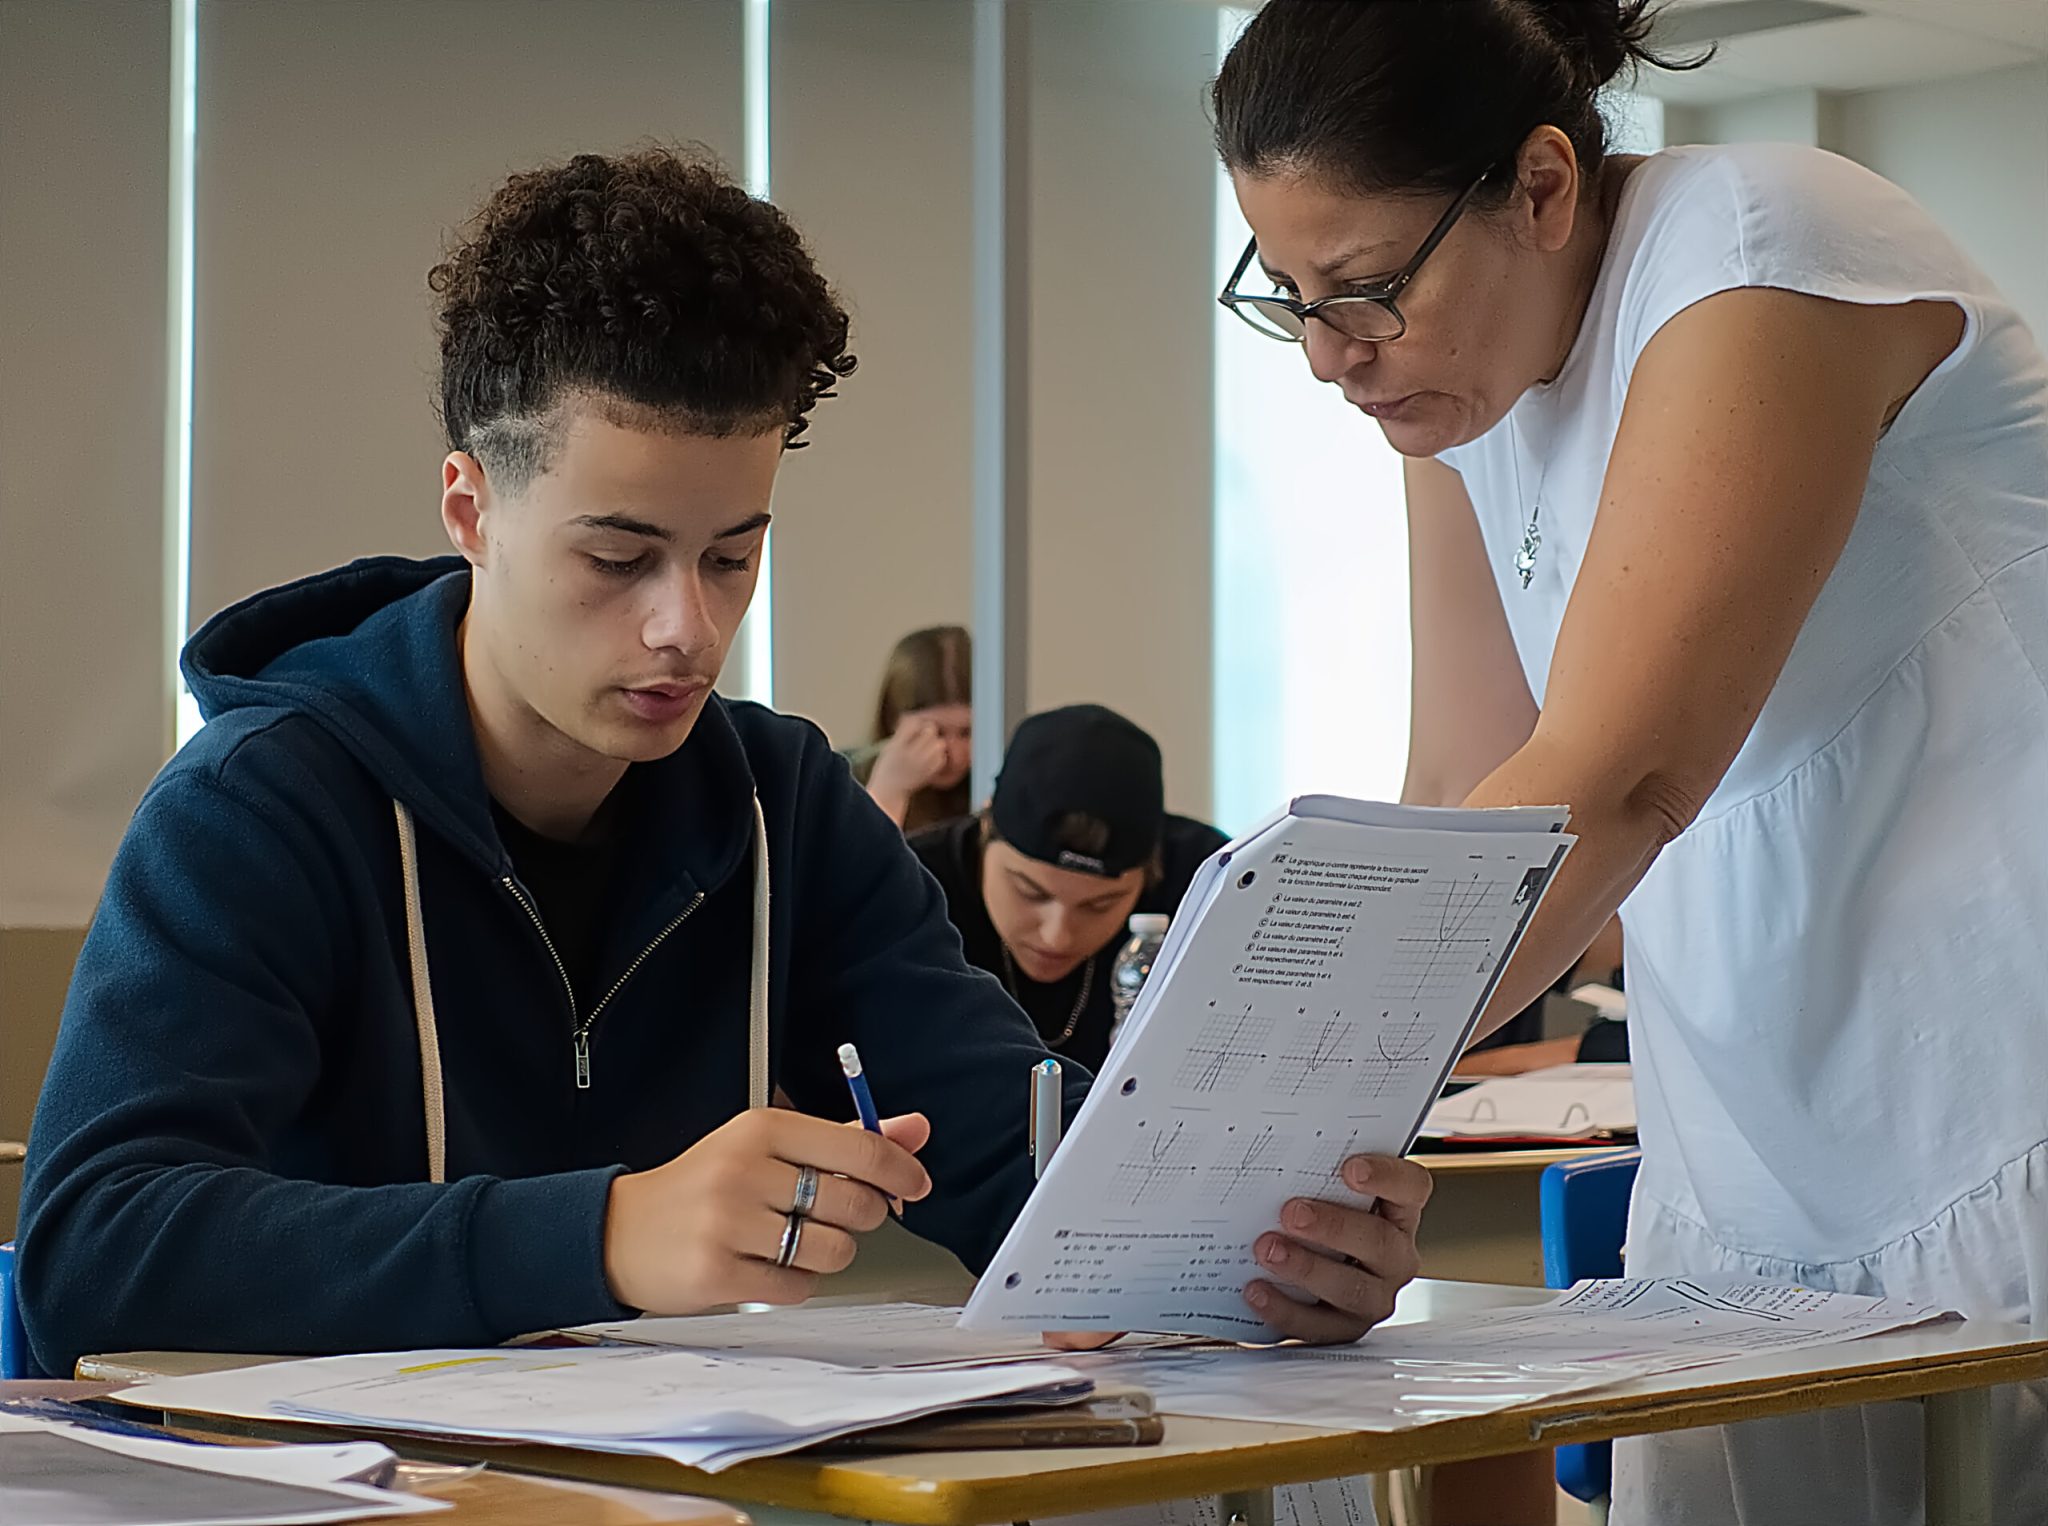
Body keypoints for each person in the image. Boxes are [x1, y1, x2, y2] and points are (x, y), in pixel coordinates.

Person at [17, 147, 1430, 1375]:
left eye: (732, 555)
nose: (685, 628)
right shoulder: (261, 805)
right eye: (619, 556)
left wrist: (1259, 1252)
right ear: (472, 508)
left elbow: (1027, 1165)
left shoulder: (782, 804)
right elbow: (96, 1245)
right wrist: (605, 1229)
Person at [1213, 3, 2047, 1522]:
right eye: (1291, 299)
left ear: (1541, 188)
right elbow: (1457, 803)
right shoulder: (1453, 403)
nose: (1334, 359)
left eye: (1368, 290)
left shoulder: (1757, 248)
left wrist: (1254, 1116)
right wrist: (1287, 1170)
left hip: (1995, 1124)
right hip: (1746, 1178)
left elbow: (1616, 781)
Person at [908, 705, 1228, 1072]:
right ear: (984, 829)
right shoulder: (914, 886)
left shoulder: (1209, 885)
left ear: (1151, 871)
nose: (1057, 936)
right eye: (1030, 892)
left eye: (1099, 905)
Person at [844, 626, 973, 830]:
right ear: (892, 718)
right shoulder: (844, 779)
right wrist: (889, 790)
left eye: (967, 733)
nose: (954, 755)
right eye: (935, 732)